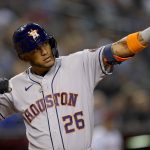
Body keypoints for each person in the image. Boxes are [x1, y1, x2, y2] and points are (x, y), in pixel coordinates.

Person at [0, 22, 149, 150]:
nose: (44, 51)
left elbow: (121, 48)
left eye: (44, 44)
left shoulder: (80, 63)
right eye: (36, 50)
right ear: (24, 56)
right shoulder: (14, 86)